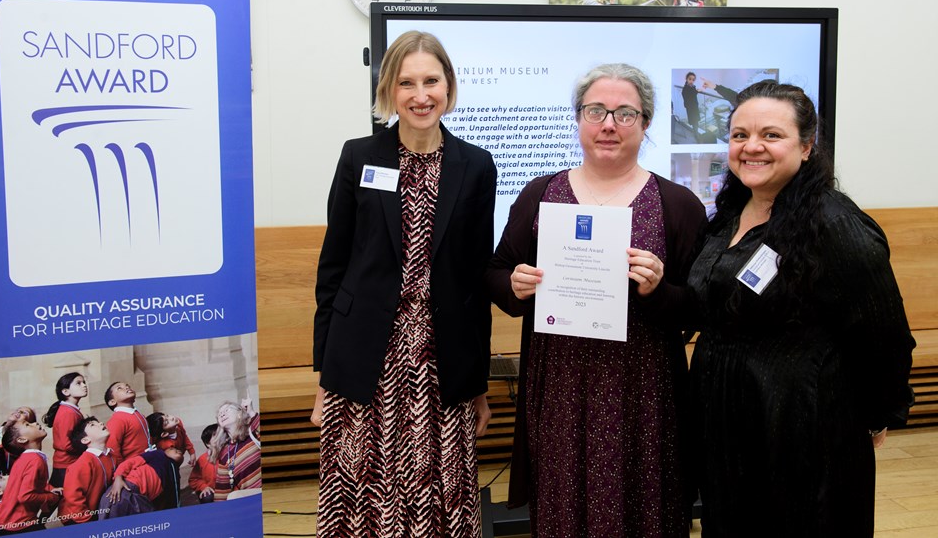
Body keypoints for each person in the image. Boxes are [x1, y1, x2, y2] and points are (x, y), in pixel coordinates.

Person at [686, 80, 916, 537]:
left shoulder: (834, 223)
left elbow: (884, 333)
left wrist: (879, 413)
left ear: (807, 147)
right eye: (739, 135)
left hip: (801, 426)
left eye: (771, 135)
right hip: (729, 420)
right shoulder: (732, 211)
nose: (752, 147)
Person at [486, 63, 706, 537]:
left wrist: (658, 291)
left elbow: (698, 308)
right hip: (561, 390)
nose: (608, 124)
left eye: (625, 113)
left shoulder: (678, 205)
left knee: (646, 509)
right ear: (578, 118)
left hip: (644, 394)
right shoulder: (541, 194)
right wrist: (515, 286)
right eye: (595, 111)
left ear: (646, 123)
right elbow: (495, 272)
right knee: (565, 510)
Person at [312, 30, 497, 537]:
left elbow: (475, 281)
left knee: (441, 502)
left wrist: (477, 383)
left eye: (431, 81)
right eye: (407, 82)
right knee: (362, 501)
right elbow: (333, 271)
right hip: (364, 357)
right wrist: (325, 376)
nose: (421, 95)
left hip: (442, 361)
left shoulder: (476, 166)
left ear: (449, 86)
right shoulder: (358, 157)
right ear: (390, 91)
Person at [0, 419, 63, 534]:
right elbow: (25, 496)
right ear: (22, 439)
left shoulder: (27, 458)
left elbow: (26, 486)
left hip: (10, 524)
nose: (35, 423)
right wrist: (51, 497)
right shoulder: (34, 460)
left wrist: (49, 490)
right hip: (20, 525)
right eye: (28, 425)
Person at [58, 416, 116, 525]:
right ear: (85, 440)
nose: (101, 423)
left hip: (96, 513)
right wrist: (87, 521)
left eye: (98, 422)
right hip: (77, 519)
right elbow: (73, 498)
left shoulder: (111, 455)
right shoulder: (82, 464)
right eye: (93, 425)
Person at [101, 447, 183, 517]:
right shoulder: (158, 454)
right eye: (172, 449)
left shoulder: (174, 474)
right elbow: (130, 463)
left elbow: (171, 499)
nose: (178, 451)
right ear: (165, 451)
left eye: (181, 453)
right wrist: (118, 477)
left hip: (142, 497)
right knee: (112, 506)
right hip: (127, 486)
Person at [209, 399, 261, 501]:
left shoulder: (253, 431)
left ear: (239, 414)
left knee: (235, 497)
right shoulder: (225, 452)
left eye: (227, 410)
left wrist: (251, 413)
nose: (222, 414)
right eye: (220, 414)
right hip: (253, 498)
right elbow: (222, 490)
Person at [42, 372, 88, 486]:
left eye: (84, 382)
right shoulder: (68, 413)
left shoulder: (71, 410)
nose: (84, 385)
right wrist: (87, 448)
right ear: (66, 391)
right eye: (78, 383)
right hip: (66, 465)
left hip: (67, 464)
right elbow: (65, 444)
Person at [0, 407, 37, 476]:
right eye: (17, 410)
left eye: (25, 413)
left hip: (5, 484)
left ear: (28, 424)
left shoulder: (23, 443)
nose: (19, 412)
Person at [103, 382, 150, 464]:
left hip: (148, 461)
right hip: (134, 467)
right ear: (112, 402)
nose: (127, 388)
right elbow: (113, 449)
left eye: (128, 386)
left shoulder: (138, 414)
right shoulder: (117, 420)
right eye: (119, 388)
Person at [188, 424, 219, 504]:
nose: (221, 438)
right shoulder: (203, 459)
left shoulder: (231, 454)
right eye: (216, 436)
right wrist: (203, 487)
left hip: (230, 493)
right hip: (213, 493)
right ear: (208, 444)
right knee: (207, 497)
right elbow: (193, 479)